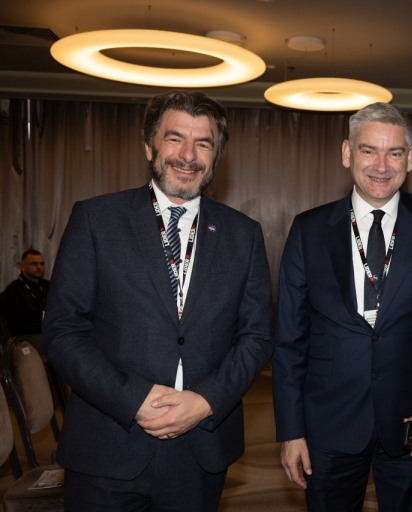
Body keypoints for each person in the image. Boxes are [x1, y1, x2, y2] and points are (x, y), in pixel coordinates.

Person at [42, 91, 272, 511]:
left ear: (216, 156)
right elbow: (63, 331)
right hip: (107, 445)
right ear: (149, 146)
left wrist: (206, 401)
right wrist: (133, 399)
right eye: (174, 138)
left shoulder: (244, 234)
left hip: (200, 451)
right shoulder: (96, 220)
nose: (188, 155)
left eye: (203, 143)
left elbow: (256, 337)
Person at [272, 102, 412, 512]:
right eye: (368, 150)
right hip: (328, 425)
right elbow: (289, 339)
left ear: (410, 158)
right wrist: (290, 430)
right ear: (347, 153)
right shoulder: (309, 229)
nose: (381, 165)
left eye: (394, 152)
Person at [2, 249, 49, 336]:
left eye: (42, 264)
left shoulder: (49, 286)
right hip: (26, 338)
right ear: (22, 267)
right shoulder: (13, 290)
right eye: (34, 264)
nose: (39, 267)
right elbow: (16, 326)